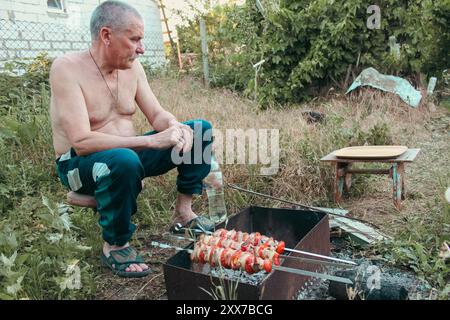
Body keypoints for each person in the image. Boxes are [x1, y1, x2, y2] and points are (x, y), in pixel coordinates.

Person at [49, 0, 214, 278]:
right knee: (123, 161)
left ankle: (184, 213)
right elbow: (82, 142)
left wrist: (174, 127)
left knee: (200, 130)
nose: (141, 48)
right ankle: (115, 244)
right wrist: (150, 142)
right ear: (106, 35)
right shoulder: (66, 69)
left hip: (126, 158)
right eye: (134, 39)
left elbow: (157, 113)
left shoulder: (133, 69)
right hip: (79, 164)